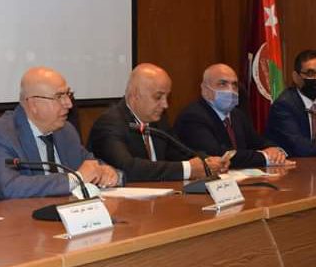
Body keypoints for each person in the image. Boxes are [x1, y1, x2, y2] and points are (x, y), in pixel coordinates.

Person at [0, 66, 119, 203]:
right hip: (7, 220)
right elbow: (10, 188)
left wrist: (108, 173)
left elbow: (90, 164)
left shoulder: (66, 131)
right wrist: (75, 179)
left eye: (68, 94)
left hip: (59, 216)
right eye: (59, 96)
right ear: (33, 104)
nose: (69, 103)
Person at [88, 63, 228, 182]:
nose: (165, 105)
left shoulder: (158, 121)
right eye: (158, 97)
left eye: (167, 97)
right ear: (135, 95)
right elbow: (128, 168)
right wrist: (187, 169)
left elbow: (180, 152)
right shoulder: (110, 124)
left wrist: (209, 162)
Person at [175, 64, 288, 169]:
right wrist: (266, 157)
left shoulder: (237, 115)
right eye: (222, 84)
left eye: (234, 85)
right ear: (205, 90)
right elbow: (218, 155)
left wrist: (275, 150)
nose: (230, 90)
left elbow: (259, 142)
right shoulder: (193, 117)